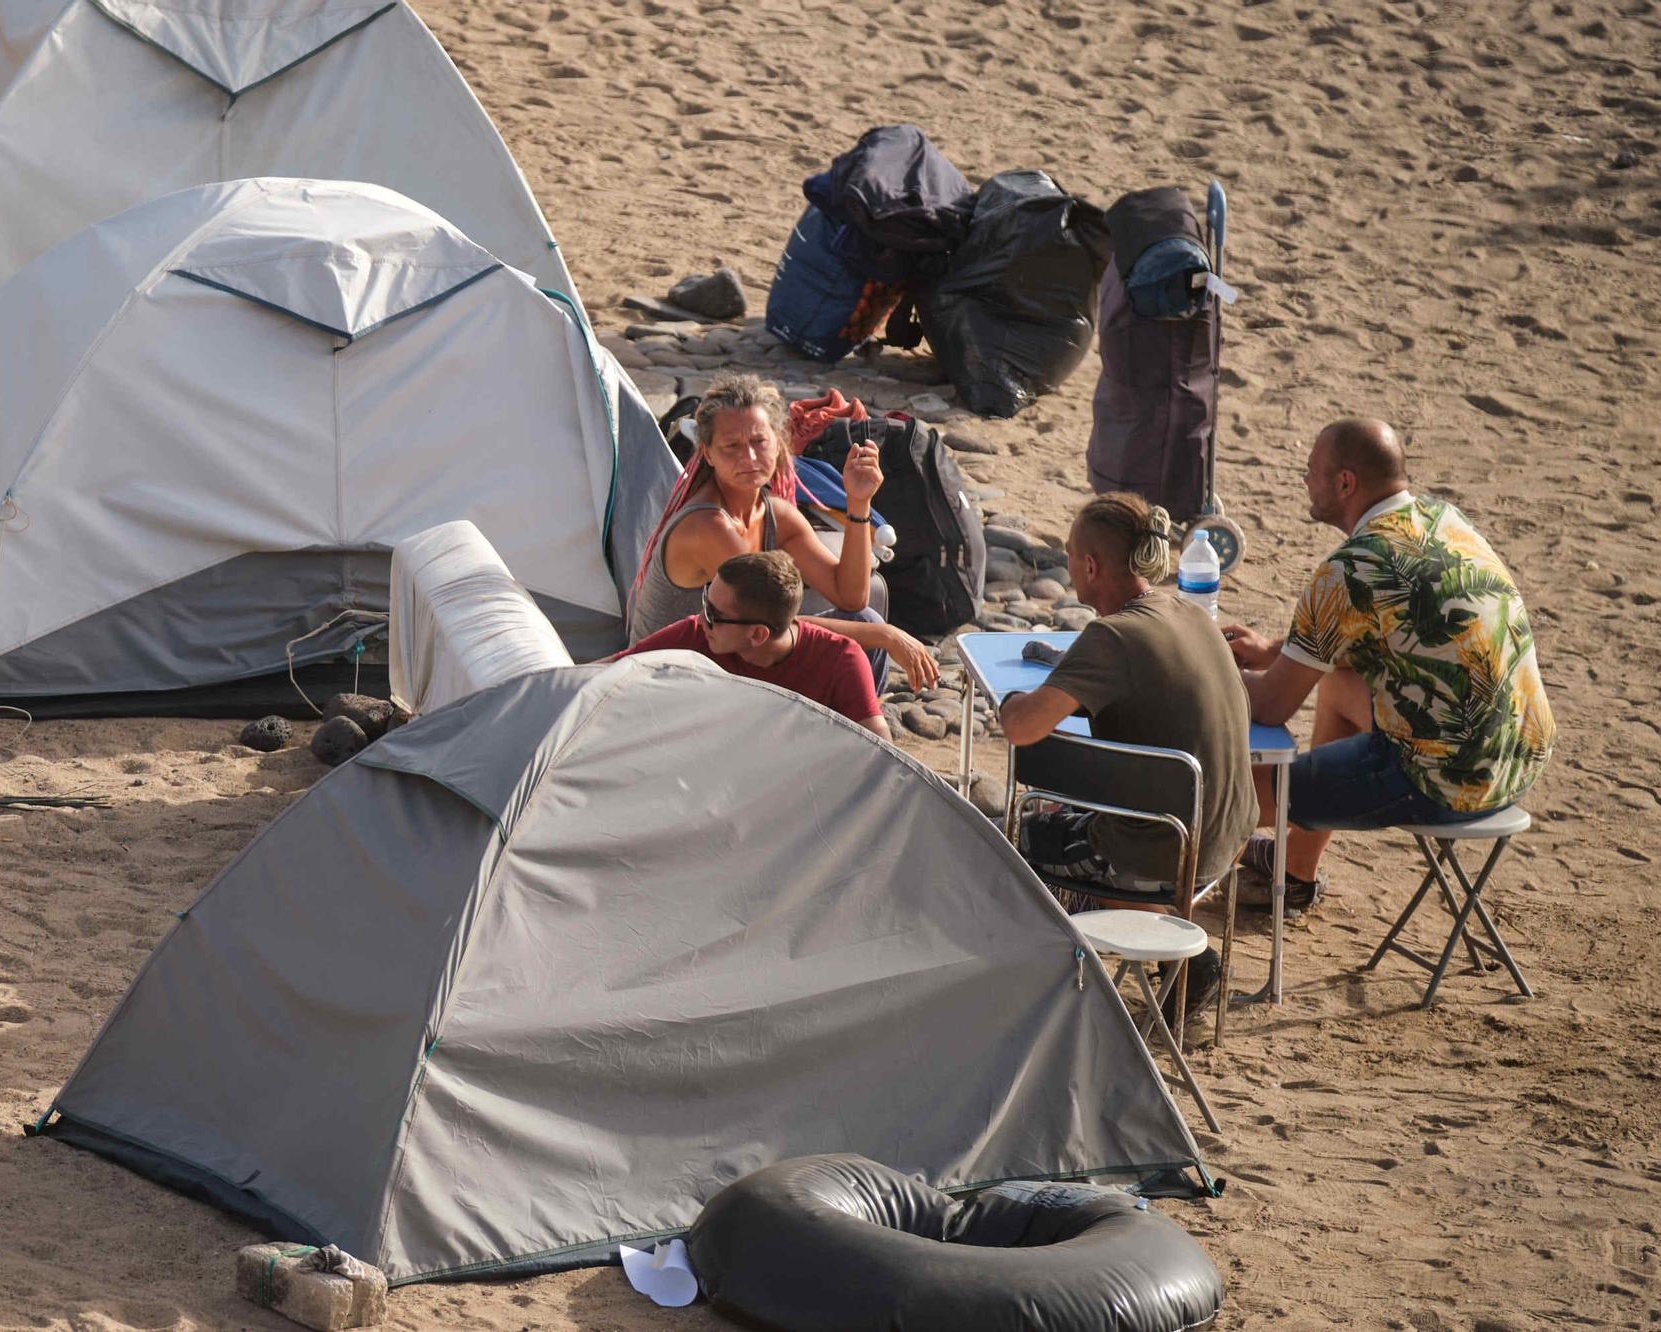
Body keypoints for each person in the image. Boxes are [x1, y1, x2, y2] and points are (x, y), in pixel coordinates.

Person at [1222, 419, 1556, 909]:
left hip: (1446, 781)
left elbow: (1272, 705)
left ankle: (1143, 899)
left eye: (1311, 471)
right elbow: (1388, 636)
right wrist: (1280, 651)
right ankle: (1294, 872)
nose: (1304, 481)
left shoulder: (1351, 567)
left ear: (1344, 484)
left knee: (1238, 790)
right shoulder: (1445, 520)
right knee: (1339, 685)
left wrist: (1202, 670)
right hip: (1518, 757)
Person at [996, 493, 1256, 1016]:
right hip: (1228, 838)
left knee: (1017, 836)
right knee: (1088, 811)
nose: (1068, 566)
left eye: (1070, 555)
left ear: (1089, 565)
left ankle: (1047, 991)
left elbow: (1023, 728)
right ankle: (1178, 954)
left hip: (1167, 855)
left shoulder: (1111, 636)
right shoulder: (1189, 610)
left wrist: (1010, 702)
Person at [626, 373, 937, 693]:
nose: (748, 458)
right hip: (669, 679)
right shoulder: (708, 527)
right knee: (867, 632)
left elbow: (850, 596)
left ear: (778, 442)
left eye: (759, 442)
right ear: (707, 453)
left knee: (865, 620)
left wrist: (858, 503)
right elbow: (764, 626)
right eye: (731, 446)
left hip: (731, 653)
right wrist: (886, 635)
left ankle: (853, 732)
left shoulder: (775, 514)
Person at [619, 550, 890, 738]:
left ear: (758, 635)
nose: (701, 619)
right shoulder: (695, 635)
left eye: (714, 614)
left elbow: (881, 755)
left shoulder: (841, 661)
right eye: (705, 601)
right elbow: (611, 671)